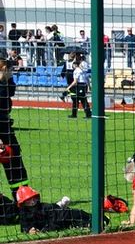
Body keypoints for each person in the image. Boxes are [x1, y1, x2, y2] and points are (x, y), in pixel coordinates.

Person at [0, 54, 30, 202]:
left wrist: (7, 78)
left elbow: (11, 91)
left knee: (15, 161)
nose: (11, 71)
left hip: (5, 127)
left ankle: (22, 196)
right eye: (9, 68)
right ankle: (22, 197)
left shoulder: (5, 84)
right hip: (2, 130)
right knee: (13, 160)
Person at [16, 185, 93, 234]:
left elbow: (54, 224)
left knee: (81, 219)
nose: (32, 201)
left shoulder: (46, 208)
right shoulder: (23, 213)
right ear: (23, 203)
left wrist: (43, 230)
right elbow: (24, 227)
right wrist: (29, 230)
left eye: (33, 198)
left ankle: (60, 205)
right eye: (28, 200)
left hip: (63, 216)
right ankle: (60, 204)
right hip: (56, 217)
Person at [67, 52, 92, 118]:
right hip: (83, 85)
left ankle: (87, 114)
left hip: (80, 85)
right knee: (78, 100)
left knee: (82, 100)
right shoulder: (82, 70)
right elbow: (87, 78)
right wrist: (89, 86)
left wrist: (68, 87)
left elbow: (75, 81)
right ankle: (76, 114)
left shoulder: (77, 71)